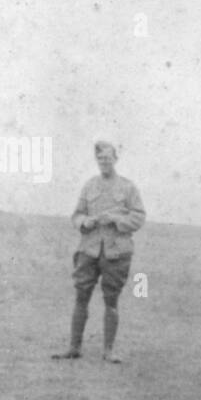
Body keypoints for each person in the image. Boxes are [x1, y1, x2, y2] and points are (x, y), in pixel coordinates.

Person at [52, 141, 145, 362]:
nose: (104, 162)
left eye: (108, 158)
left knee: (111, 301)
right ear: (97, 161)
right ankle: (74, 348)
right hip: (89, 250)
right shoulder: (89, 186)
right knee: (81, 297)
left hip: (116, 252)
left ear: (115, 159)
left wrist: (117, 219)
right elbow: (76, 215)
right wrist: (86, 222)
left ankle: (108, 351)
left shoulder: (128, 187)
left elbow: (139, 217)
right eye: (100, 159)